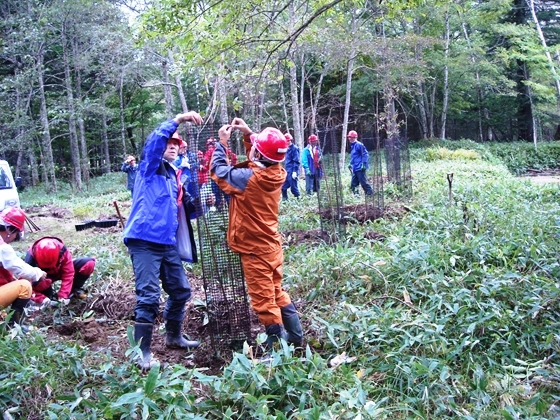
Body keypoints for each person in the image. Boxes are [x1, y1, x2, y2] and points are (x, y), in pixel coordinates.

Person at [210, 118, 304, 352]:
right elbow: (260, 157)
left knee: (264, 302)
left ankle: (277, 353)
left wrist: (221, 144)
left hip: (255, 250)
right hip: (271, 246)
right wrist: (249, 134)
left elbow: (219, 172)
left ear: (259, 155)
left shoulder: (249, 180)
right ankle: (295, 337)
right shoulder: (277, 171)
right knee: (276, 292)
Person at [123, 111, 203, 369]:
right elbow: (154, 142)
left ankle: (173, 336)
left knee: (180, 290)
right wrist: (178, 120)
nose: (171, 148)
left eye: (176, 145)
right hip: (144, 240)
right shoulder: (149, 168)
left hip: (166, 242)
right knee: (148, 295)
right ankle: (141, 351)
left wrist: (201, 205)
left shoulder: (174, 177)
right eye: (169, 144)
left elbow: (181, 210)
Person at [0, 207, 47, 330]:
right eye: (15, 233)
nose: (14, 237)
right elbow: (17, 266)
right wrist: (38, 273)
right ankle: (12, 328)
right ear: (10, 229)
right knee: (24, 286)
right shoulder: (2, 247)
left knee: (14, 284)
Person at [25, 237, 97, 305]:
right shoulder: (29, 260)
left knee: (88, 264)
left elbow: (68, 273)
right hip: (44, 278)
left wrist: (63, 294)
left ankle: (74, 288)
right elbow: (26, 287)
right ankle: (49, 295)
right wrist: (42, 299)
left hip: (60, 271)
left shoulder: (62, 250)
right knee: (39, 282)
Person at [347, 130, 374, 196]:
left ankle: (370, 194)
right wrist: (350, 163)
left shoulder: (359, 145)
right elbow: (355, 156)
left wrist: (364, 163)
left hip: (360, 168)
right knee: (353, 184)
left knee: (363, 183)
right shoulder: (352, 146)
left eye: (350, 137)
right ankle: (357, 196)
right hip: (355, 168)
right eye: (349, 137)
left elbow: (365, 154)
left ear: (354, 137)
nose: (349, 138)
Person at [281, 132, 301, 200]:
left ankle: (299, 199)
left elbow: (296, 161)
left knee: (293, 187)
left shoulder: (294, 148)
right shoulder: (286, 149)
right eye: (286, 141)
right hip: (287, 171)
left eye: (288, 141)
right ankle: (285, 200)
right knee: (283, 187)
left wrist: (294, 171)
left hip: (292, 171)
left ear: (291, 140)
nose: (287, 142)